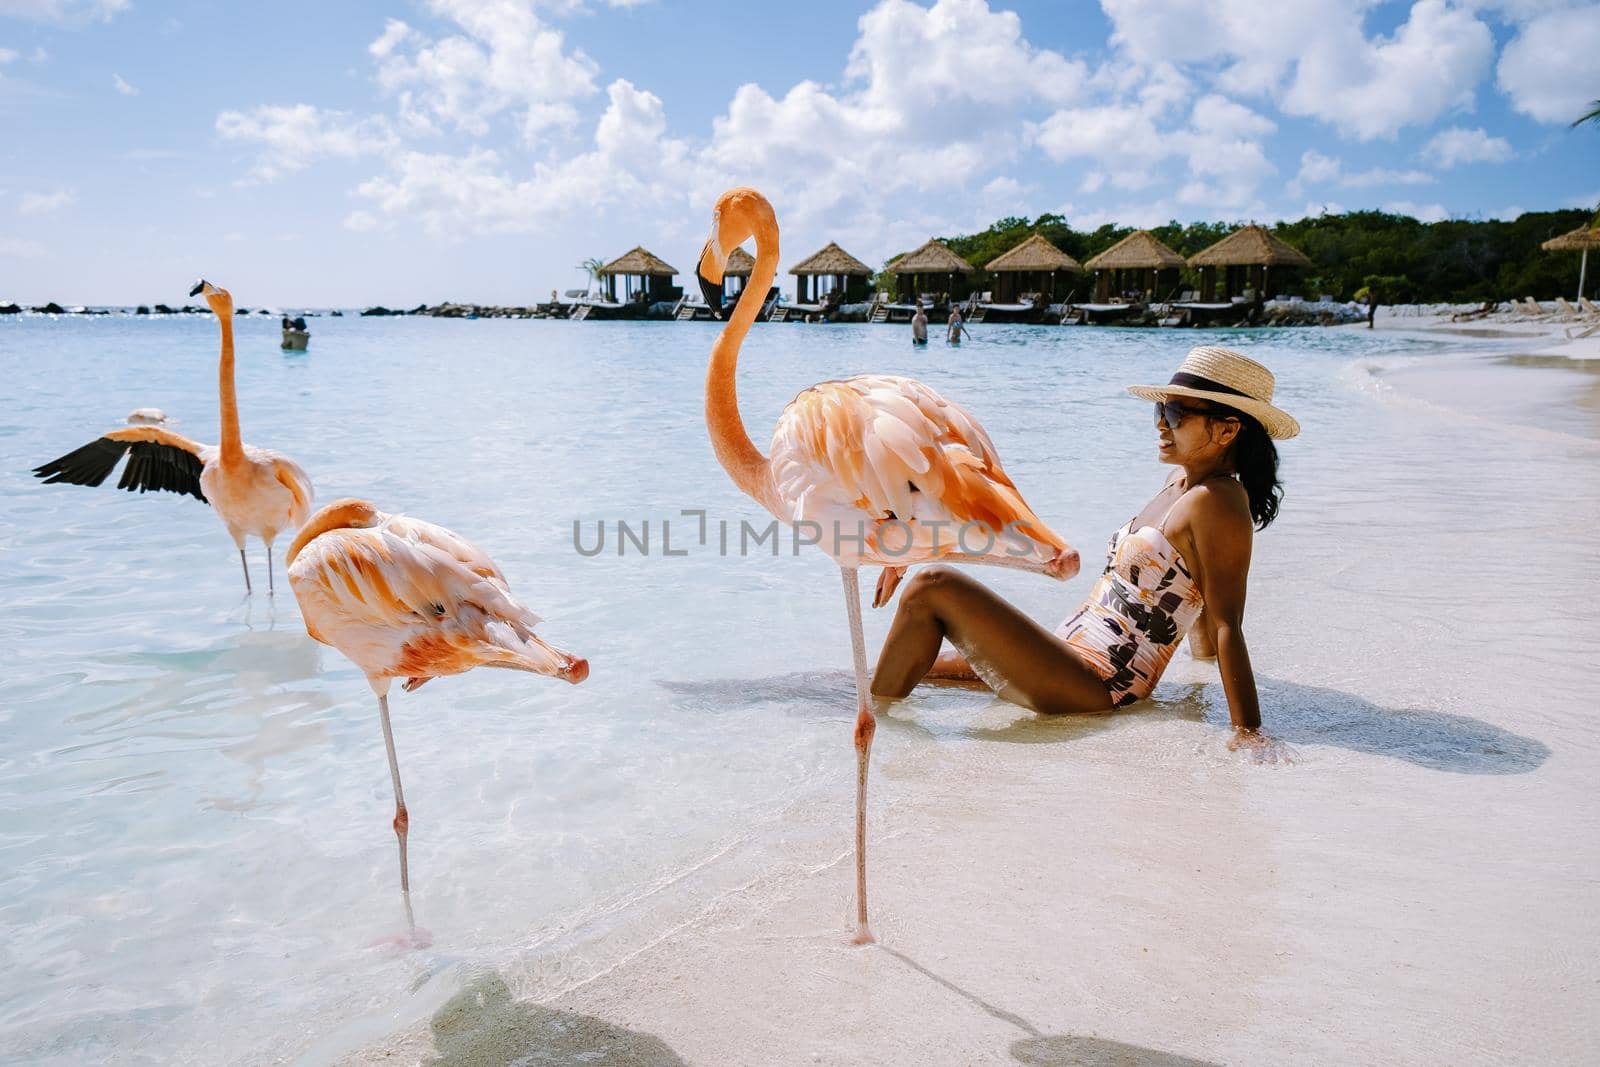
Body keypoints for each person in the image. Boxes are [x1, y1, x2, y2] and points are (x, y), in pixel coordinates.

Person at [869, 346, 1299, 761]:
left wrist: (1248, 731)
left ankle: (870, 728)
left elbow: (1227, 622)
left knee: (932, 586)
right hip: (1066, 655)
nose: (1161, 425)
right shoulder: (1180, 484)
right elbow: (1195, 594)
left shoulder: (1218, 501)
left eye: (1176, 414)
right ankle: (869, 717)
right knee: (916, 667)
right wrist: (1198, 669)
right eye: (1160, 411)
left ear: (1227, 430)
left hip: (1098, 683)